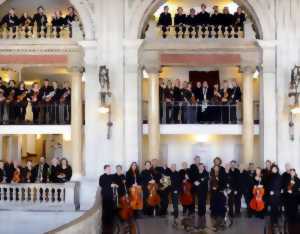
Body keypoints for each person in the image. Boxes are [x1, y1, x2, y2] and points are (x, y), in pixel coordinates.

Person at [99, 165, 116, 232]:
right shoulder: (102, 177)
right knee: (106, 210)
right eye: (108, 169)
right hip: (106, 195)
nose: (109, 170)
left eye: (110, 169)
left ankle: (111, 223)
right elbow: (101, 184)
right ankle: (106, 224)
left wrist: (114, 185)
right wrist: (110, 185)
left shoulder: (112, 176)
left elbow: (114, 183)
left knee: (111, 209)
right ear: (105, 170)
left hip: (112, 195)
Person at [210, 164, 226, 231]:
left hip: (220, 192)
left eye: (217, 168)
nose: (216, 169)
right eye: (215, 168)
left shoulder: (222, 174)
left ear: (219, 169)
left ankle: (221, 221)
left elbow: (223, 183)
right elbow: (210, 183)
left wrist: (219, 180)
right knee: (214, 205)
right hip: (214, 192)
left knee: (220, 206)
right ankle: (215, 221)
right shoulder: (211, 175)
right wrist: (212, 187)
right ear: (213, 169)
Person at [194, 163, 209, 229]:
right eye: (199, 166)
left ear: (203, 167)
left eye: (202, 166)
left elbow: (205, 180)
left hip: (204, 190)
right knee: (199, 202)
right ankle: (200, 213)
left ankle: (203, 213)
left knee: (203, 202)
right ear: (198, 167)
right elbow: (194, 180)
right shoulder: (196, 173)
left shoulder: (206, 173)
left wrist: (199, 181)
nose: (200, 167)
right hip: (198, 190)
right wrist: (195, 182)